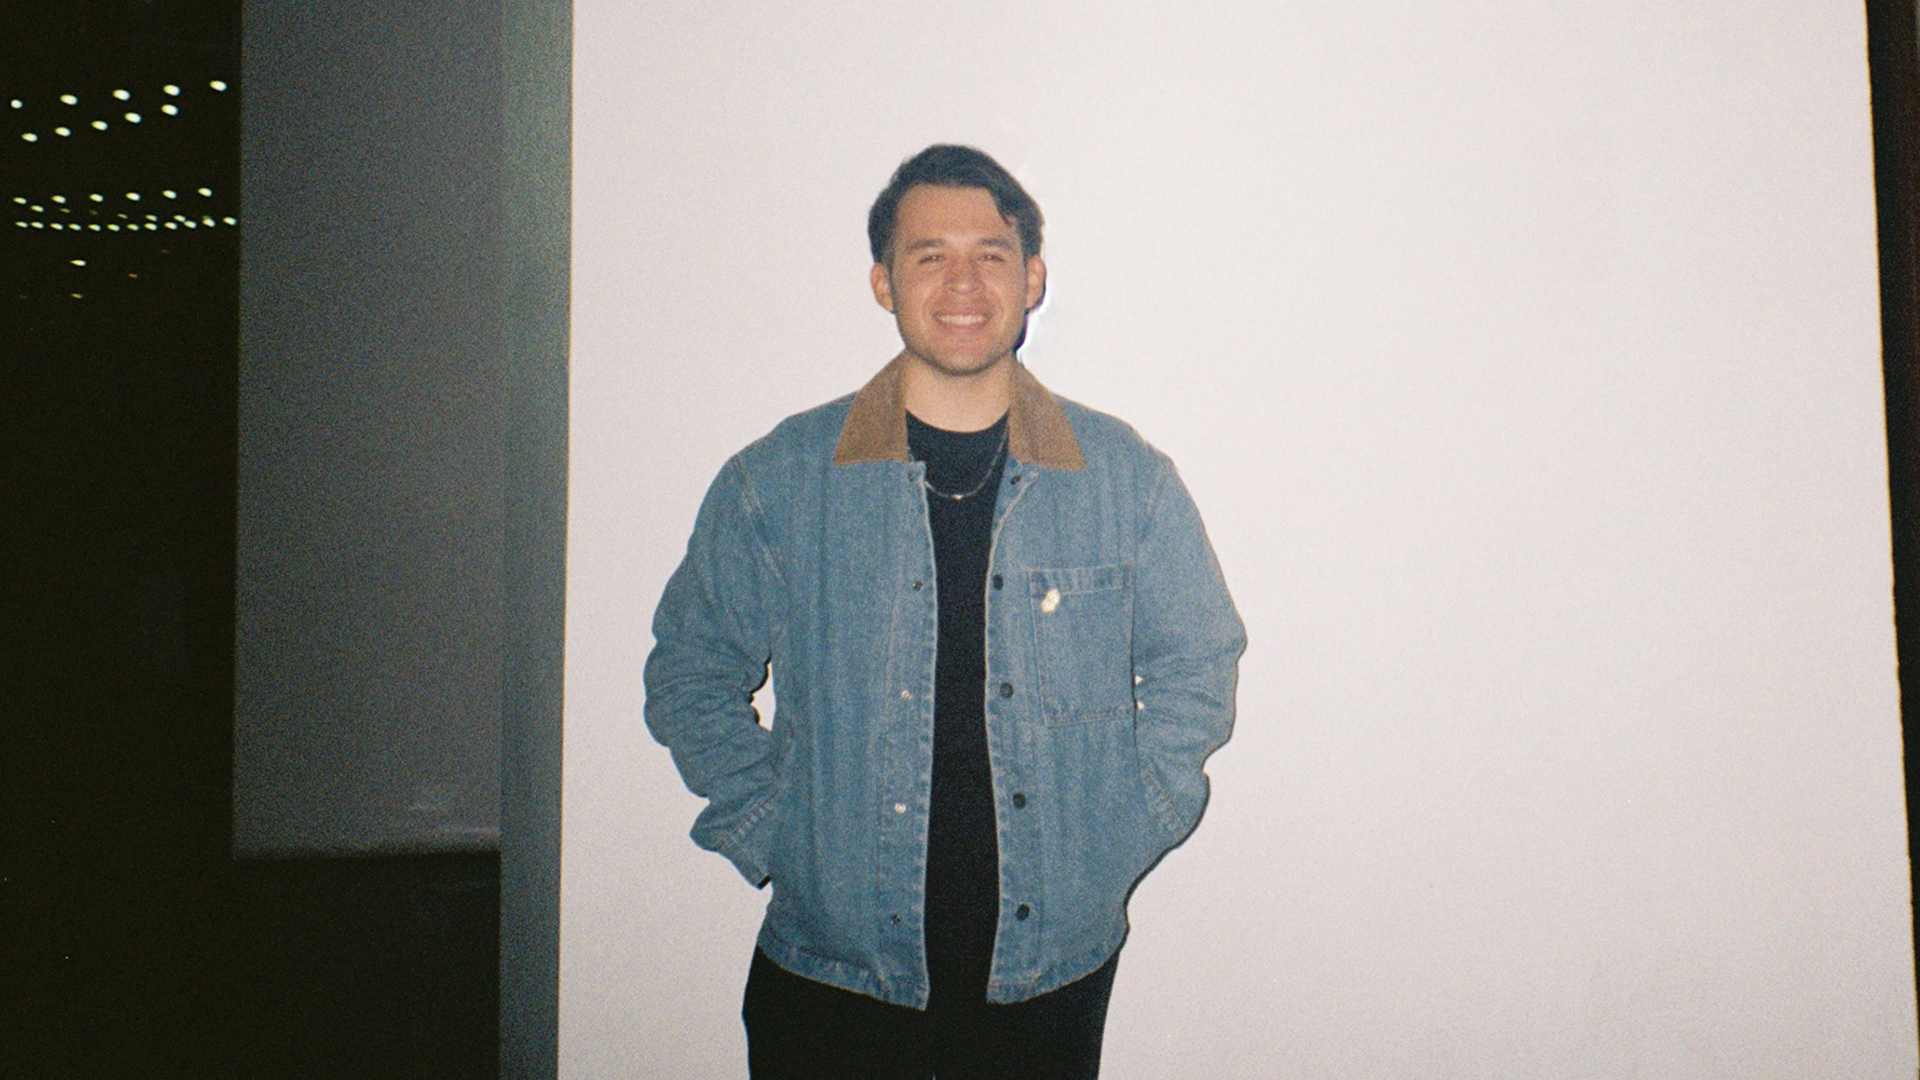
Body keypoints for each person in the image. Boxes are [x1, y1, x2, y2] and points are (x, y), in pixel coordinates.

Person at [645, 144, 1245, 1079]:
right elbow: (688, 674)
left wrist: (1125, 830)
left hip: (1048, 974)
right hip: (830, 971)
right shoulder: (779, 482)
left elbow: (1196, 666)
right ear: (883, 282)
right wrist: (775, 834)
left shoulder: (1125, 480)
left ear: (1032, 278)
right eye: (929, 255)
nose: (962, 280)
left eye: (992, 254)